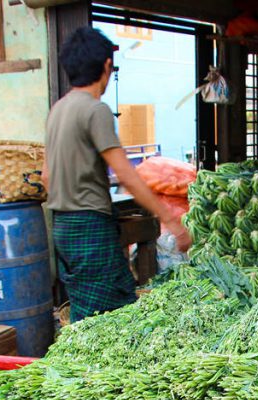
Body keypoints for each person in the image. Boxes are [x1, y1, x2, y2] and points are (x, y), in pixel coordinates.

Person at [42, 27, 190, 323]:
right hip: (89, 225)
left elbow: (46, 176)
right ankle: (85, 368)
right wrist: (172, 220)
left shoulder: (58, 109)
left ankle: (75, 365)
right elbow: (127, 175)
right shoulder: (95, 110)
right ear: (106, 66)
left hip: (62, 226)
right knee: (110, 313)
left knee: (86, 306)